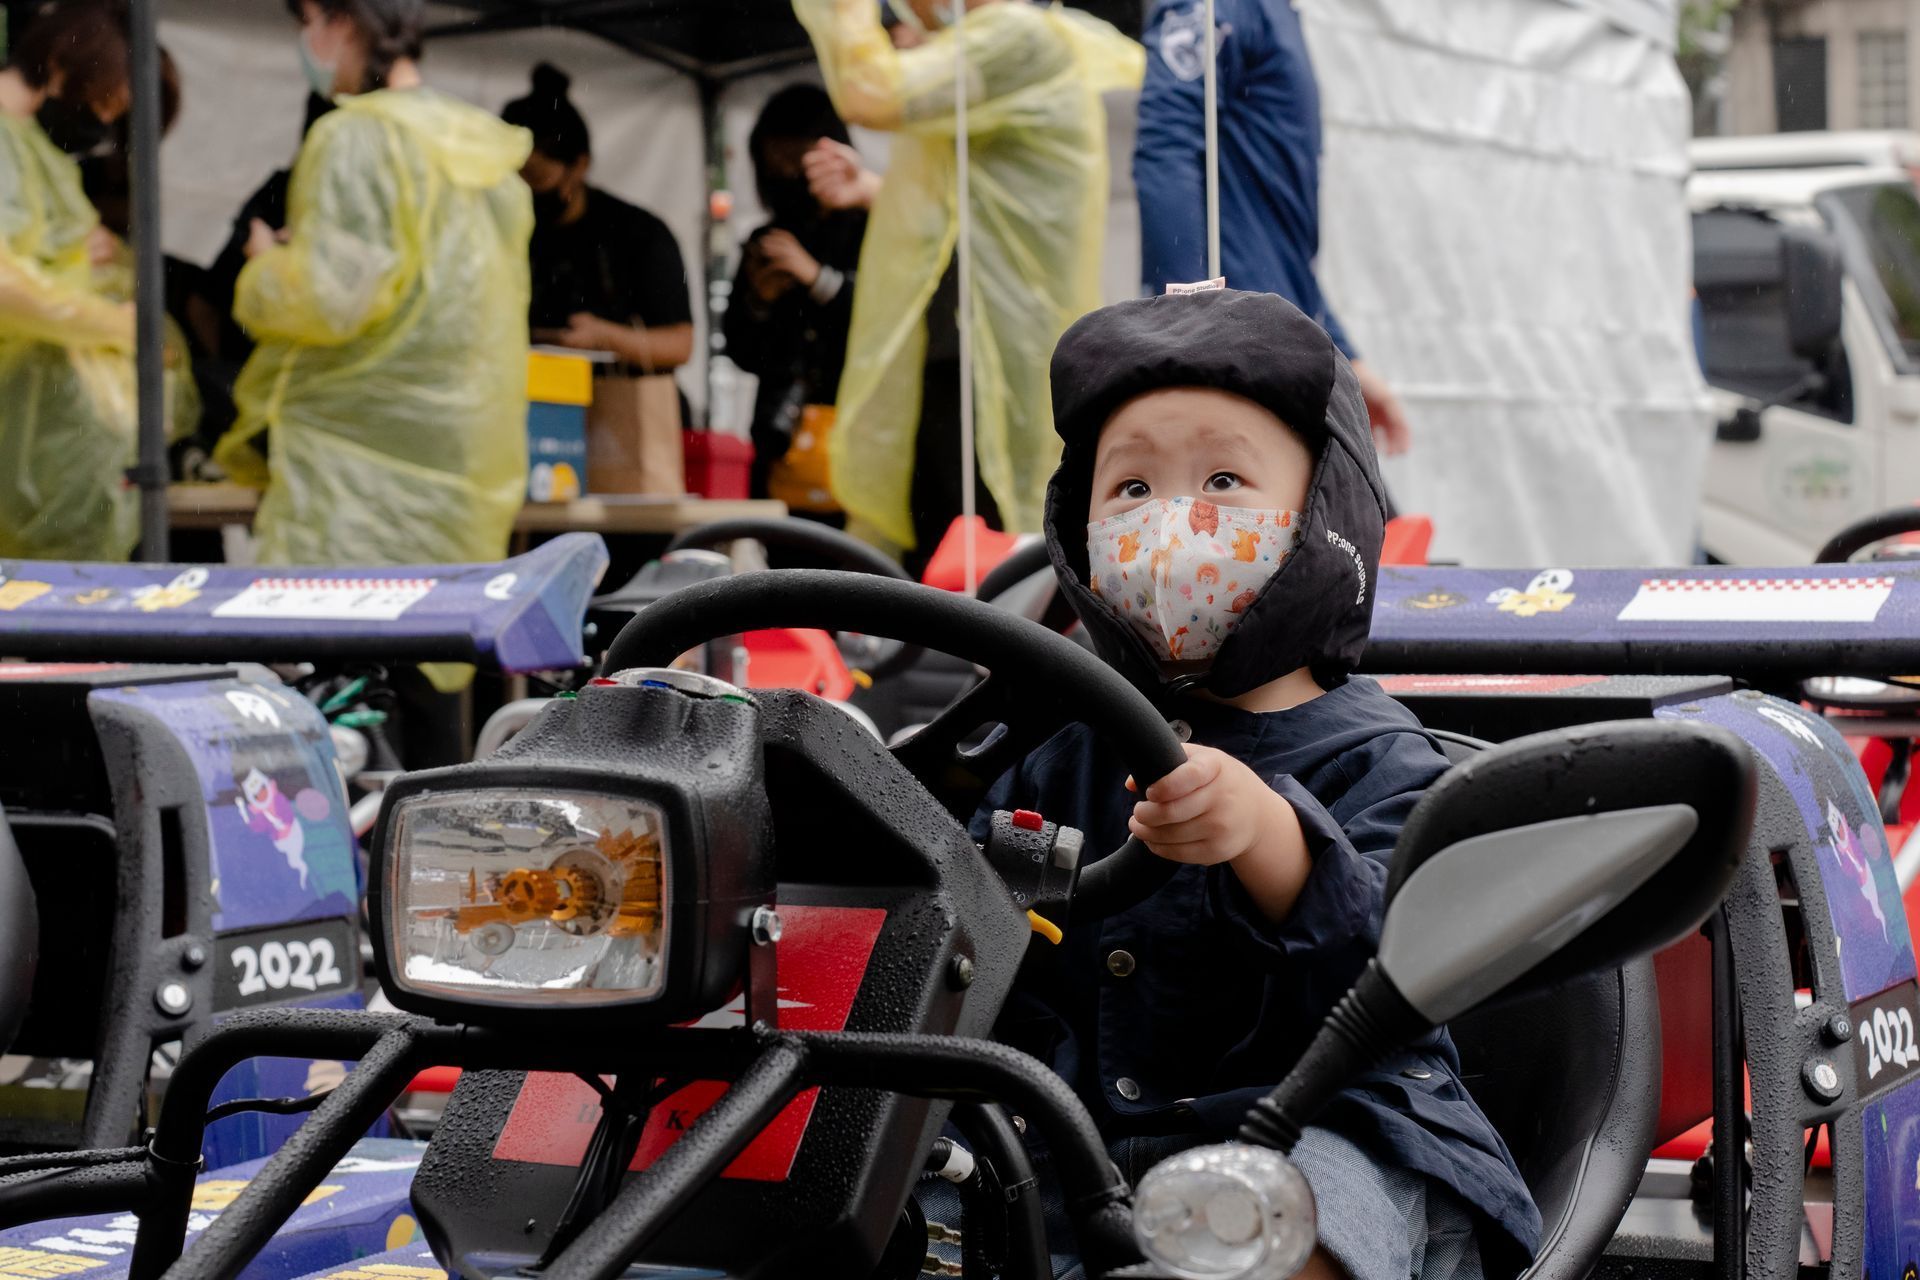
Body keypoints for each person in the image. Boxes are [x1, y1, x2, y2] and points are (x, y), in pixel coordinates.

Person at [969, 289, 1539, 1279]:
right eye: (1131, 486)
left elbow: (1412, 975)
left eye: (1223, 479)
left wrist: (1273, 840)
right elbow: (963, 941)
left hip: (1321, 1134)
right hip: (1067, 1148)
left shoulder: (1384, 760)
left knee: (1319, 1191)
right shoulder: (1053, 749)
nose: (1169, 522)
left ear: (1323, 516)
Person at [792, 0, 1143, 570]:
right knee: (946, 547)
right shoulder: (999, 42)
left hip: (993, 365)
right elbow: (982, 201)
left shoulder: (1015, 37)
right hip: (956, 356)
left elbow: (870, 93)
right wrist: (876, 190)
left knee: (986, 550)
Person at [214, 0, 534, 566]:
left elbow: (328, 301)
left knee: (339, 617)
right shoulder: (479, 149)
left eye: (307, 22)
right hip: (465, 459)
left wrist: (267, 264)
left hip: (359, 472)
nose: (305, 41)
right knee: (439, 612)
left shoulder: (355, 137)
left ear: (340, 22)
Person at [1134, 0, 1411, 456]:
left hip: (1281, 337)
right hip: (1241, 345)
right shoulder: (1223, 6)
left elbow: (1282, 238)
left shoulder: (1275, 15)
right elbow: (1166, 149)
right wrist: (1188, 325)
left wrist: (1345, 356)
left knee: (1356, 498)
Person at [0, 0, 153, 560]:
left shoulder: (32, 150)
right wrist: (112, 323)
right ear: (62, 67)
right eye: (98, 102)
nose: (101, 124)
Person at [723, 84, 866, 514]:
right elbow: (741, 350)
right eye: (774, 164)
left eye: (795, 160)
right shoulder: (768, 239)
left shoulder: (870, 226)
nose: (786, 175)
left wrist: (816, 279)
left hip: (855, 433)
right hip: (779, 439)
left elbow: (882, 325)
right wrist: (759, 302)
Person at [501, 64, 693, 375]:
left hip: (618, 397)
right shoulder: (504, 230)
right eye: (511, 177)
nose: (523, 189)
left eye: (535, 176)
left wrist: (606, 337)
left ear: (579, 165)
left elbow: (680, 344)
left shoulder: (637, 233)